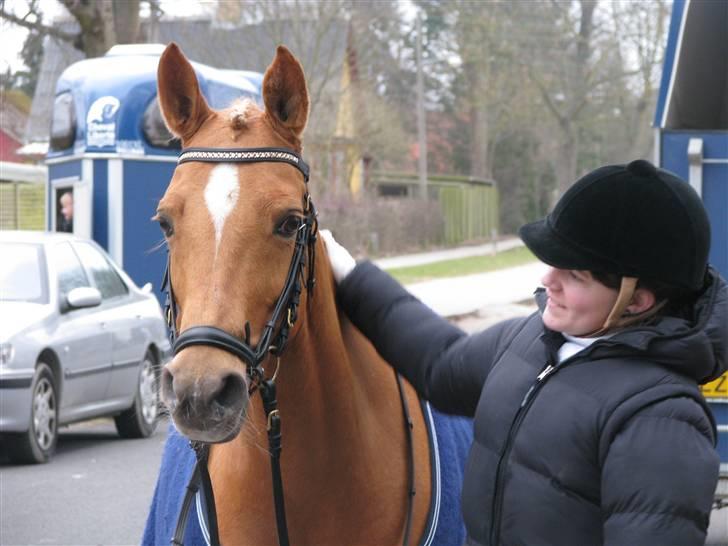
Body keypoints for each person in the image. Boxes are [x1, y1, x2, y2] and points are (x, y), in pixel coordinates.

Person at [321, 159, 727, 546]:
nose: (547, 280)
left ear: (636, 301)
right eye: (553, 262)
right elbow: (441, 365)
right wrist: (352, 276)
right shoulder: (530, 341)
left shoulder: (660, 419)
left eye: (574, 274)